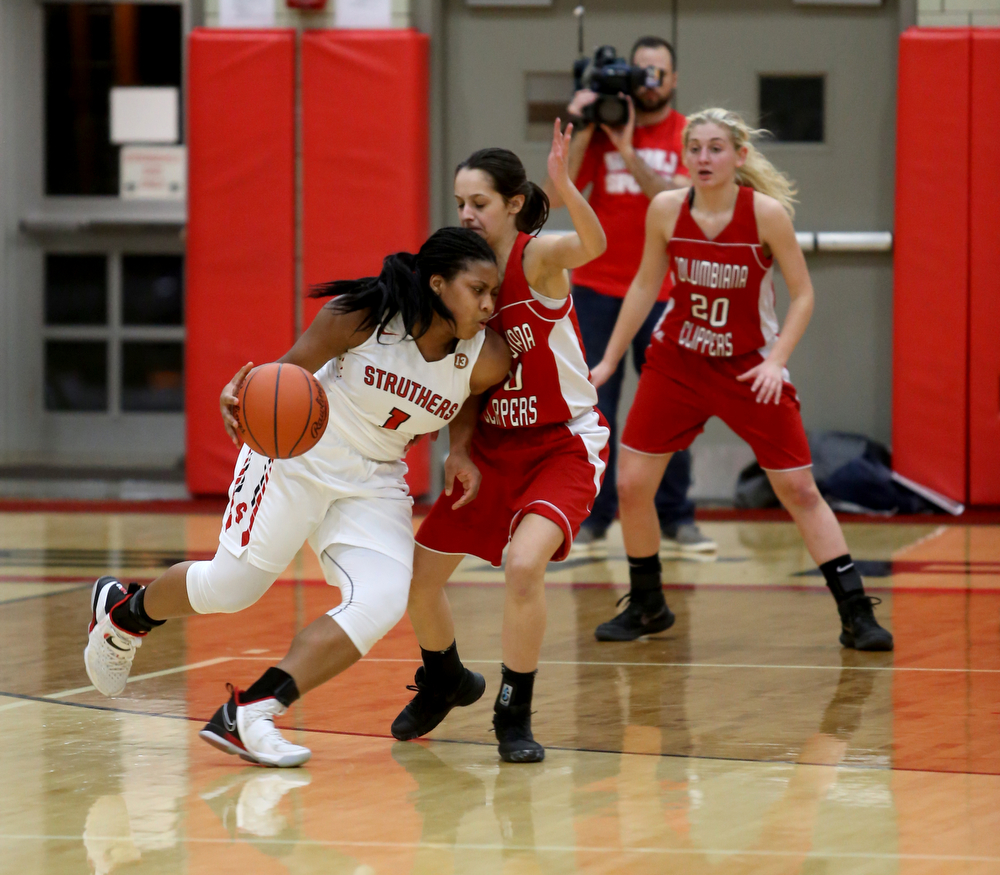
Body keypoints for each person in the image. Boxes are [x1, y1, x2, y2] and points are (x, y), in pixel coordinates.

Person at [83, 226, 513, 766]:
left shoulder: (487, 356)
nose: (490, 304)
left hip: (374, 478)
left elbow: (469, 395)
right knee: (232, 587)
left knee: (381, 598)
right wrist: (239, 395)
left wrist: (461, 449)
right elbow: (285, 376)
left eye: (494, 292)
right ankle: (125, 613)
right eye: (478, 290)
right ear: (437, 284)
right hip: (296, 454)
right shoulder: (362, 317)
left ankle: (250, 713)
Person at [588, 108, 893, 651]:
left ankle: (855, 612)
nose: (704, 158)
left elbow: (803, 294)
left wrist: (776, 360)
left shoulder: (766, 215)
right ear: (686, 157)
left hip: (748, 364)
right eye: (696, 148)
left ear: (739, 156)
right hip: (678, 359)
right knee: (632, 485)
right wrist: (610, 361)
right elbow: (642, 287)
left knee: (798, 487)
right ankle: (648, 604)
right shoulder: (665, 208)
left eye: (716, 148)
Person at [391, 121, 610, 762]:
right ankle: (445, 679)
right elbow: (468, 382)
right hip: (491, 446)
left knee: (522, 566)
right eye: (460, 203)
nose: (467, 214)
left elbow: (595, 245)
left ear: (513, 204)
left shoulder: (535, 258)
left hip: (560, 445)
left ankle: (513, 715)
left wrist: (566, 187)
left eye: (479, 203)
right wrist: (457, 448)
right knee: (418, 581)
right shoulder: (460, 275)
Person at [546, 35, 714, 553]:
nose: (648, 81)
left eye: (657, 72)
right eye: (640, 71)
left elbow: (678, 200)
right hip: (597, 288)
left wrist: (627, 148)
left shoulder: (688, 133)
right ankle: (595, 516)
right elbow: (556, 194)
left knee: (672, 406)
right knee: (595, 408)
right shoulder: (598, 131)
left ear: (673, 78)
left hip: (665, 291)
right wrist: (582, 125)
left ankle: (678, 515)